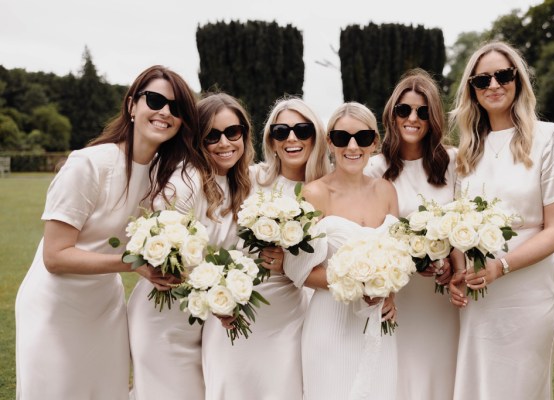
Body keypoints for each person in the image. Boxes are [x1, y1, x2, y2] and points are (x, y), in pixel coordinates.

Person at [15, 65, 199, 400]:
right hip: (55, 308)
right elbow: (55, 257)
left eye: (177, 108)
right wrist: (134, 264)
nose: (165, 112)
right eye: (155, 100)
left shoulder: (165, 178)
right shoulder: (88, 165)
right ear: (132, 105)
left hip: (105, 310)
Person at [448, 41, 554, 400]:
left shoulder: (549, 138)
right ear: (472, 89)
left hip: (528, 295)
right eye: (482, 79)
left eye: (503, 75)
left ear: (518, 80)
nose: (493, 85)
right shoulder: (466, 151)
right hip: (479, 300)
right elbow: (455, 223)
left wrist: (500, 266)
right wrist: (459, 271)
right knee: (480, 386)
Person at [203, 96, 331, 400]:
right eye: (281, 131)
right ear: (271, 141)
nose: (291, 138)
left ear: (316, 137)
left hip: (289, 319)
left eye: (302, 130)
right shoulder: (248, 179)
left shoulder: (328, 191)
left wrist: (289, 262)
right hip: (236, 310)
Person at [128, 92, 252, 400]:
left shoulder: (242, 184)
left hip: (203, 321)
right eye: (212, 135)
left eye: (232, 132)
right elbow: (162, 251)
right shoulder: (185, 180)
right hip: (164, 317)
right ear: (197, 139)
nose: (224, 143)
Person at [283, 102, 399, 399]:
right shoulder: (314, 194)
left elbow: (397, 256)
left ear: (374, 142)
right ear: (330, 143)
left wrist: (390, 293)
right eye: (341, 137)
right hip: (330, 323)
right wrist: (356, 285)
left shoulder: (387, 191)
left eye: (362, 138)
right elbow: (298, 271)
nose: (352, 146)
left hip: (377, 321)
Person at [364, 68, 459, 399]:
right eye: (404, 109)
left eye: (422, 111)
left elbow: (462, 228)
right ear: (393, 114)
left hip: (440, 297)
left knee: (440, 372)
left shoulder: (454, 163)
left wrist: (450, 263)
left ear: (433, 117)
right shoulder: (376, 168)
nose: (413, 118)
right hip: (398, 295)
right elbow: (369, 234)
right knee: (398, 375)